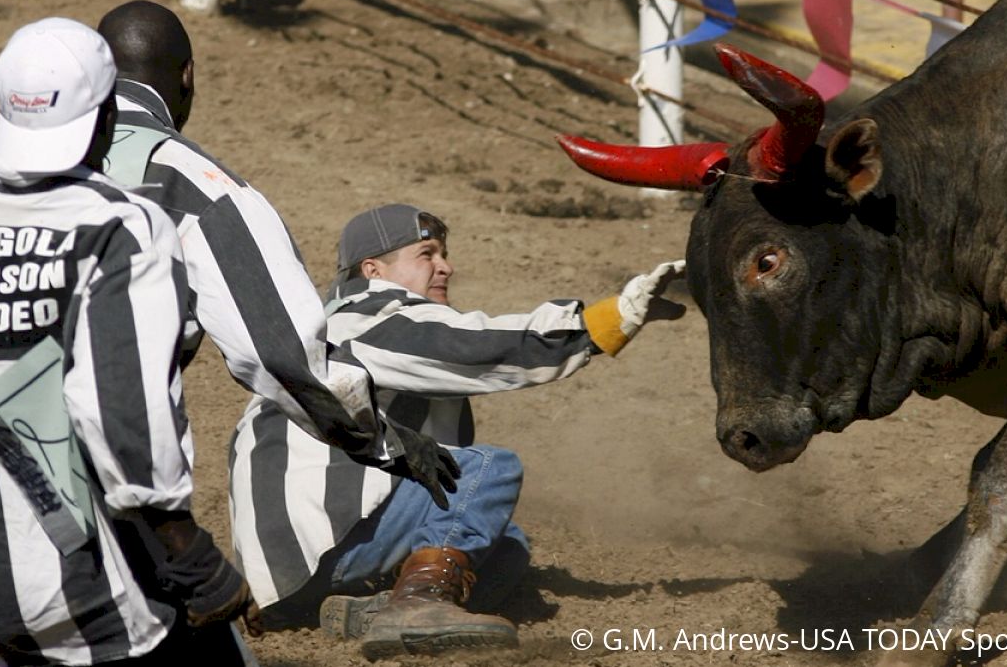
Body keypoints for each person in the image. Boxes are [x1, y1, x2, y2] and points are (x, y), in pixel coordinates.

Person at [0, 2, 458, 525]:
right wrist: (382, 439)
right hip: (95, 481)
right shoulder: (195, 183)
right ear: (187, 75)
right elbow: (282, 352)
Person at [0, 18, 256, 665]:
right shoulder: (119, 228)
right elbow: (120, 409)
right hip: (105, 598)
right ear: (104, 119)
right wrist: (193, 555)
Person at [229, 203, 687, 659]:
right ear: (373, 270)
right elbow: (474, 346)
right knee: (484, 470)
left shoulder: (328, 333)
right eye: (426, 254)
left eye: (443, 254)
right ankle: (417, 605)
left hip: (291, 572)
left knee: (507, 546)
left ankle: (368, 612)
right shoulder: (366, 318)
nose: (446, 266)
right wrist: (605, 320)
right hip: (325, 542)